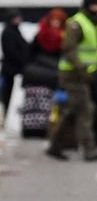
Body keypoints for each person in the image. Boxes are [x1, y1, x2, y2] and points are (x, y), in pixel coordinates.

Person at [46, 0, 97, 161]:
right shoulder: (77, 23)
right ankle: (89, 150)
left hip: (84, 75)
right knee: (86, 110)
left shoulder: (96, 24)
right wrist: (82, 69)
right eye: (95, 4)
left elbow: (96, 50)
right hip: (73, 74)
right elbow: (69, 49)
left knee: (74, 111)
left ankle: (55, 146)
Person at [20, 8, 66, 138]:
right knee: (33, 104)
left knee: (49, 105)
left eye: (58, 21)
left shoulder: (64, 37)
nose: (55, 23)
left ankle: (46, 130)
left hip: (52, 77)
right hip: (37, 77)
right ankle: (30, 130)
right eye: (54, 20)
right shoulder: (41, 35)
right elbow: (30, 54)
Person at [1, 9, 31, 119]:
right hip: (11, 69)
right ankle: (8, 114)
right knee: (8, 93)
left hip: (16, 68)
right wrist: (23, 60)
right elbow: (11, 51)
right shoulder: (9, 32)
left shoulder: (15, 31)